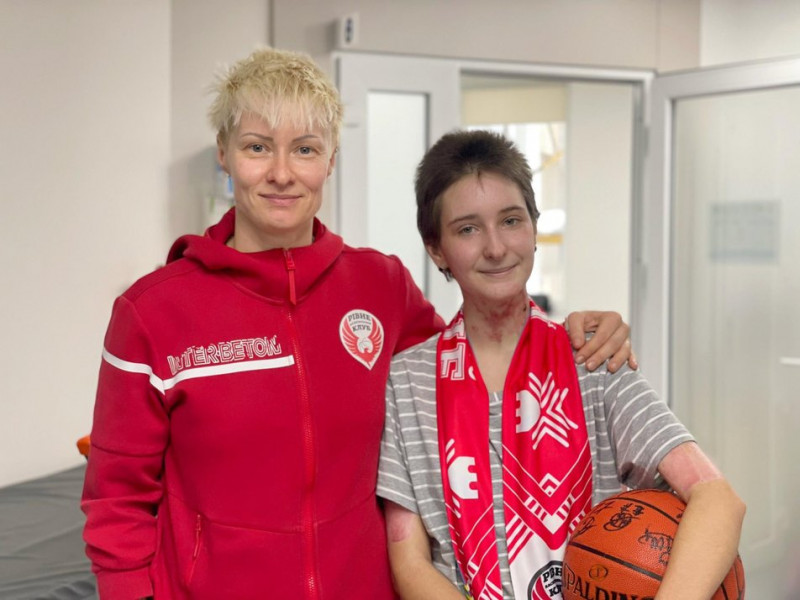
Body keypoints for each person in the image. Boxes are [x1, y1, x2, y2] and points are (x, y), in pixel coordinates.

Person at [81, 48, 636, 600]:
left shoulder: (380, 286)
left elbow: (475, 363)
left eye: (304, 149)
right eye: (257, 147)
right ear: (224, 152)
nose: (281, 173)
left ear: (330, 160)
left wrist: (576, 332)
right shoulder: (152, 312)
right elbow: (115, 502)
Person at [377, 130, 746, 600]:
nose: (496, 247)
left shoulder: (593, 359)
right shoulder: (405, 383)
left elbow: (718, 500)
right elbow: (410, 563)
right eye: (468, 229)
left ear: (534, 227)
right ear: (436, 247)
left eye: (511, 220)